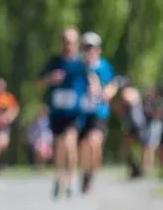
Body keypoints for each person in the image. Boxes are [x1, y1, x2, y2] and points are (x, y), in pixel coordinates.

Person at [38, 27, 88, 199]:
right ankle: (58, 177)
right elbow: (38, 83)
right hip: (57, 112)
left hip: (74, 112)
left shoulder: (81, 64)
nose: (68, 45)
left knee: (70, 143)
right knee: (59, 146)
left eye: (72, 42)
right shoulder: (54, 62)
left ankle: (71, 179)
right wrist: (50, 79)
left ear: (76, 44)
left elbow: (92, 81)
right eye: (65, 42)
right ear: (61, 43)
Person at [77, 32, 117, 195]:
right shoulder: (78, 66)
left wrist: (106, 92)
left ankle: (90, 174)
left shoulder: (104, 66)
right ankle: (85, 173)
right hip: (81, 113)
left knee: (95, 143)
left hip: (98, 112)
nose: (89, 51)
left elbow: (112, 84)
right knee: (83, 146)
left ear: (98, 50)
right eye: (86, 47)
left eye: (92, 48)